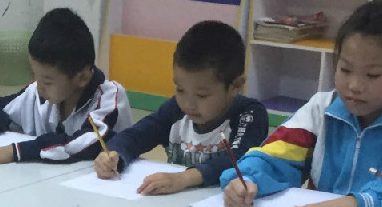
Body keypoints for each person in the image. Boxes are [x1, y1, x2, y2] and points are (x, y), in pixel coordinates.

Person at [219, 0, 382, 207]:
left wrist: (353, 204)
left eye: (372, 75)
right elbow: (274, 158)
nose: (354, 85)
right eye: (345, 69)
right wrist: (245, 180)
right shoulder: (322, 108)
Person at [93, 20, 268, 196]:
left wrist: (185, 178)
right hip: (174, 202)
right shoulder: (176, 110)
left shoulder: (249, 113)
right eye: (180, 90)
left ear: (236, 86)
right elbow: (137, 135)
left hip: (225, 204)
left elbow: (239, 160)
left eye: (201, 95)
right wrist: (114, 154)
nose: (188, 104)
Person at [0, 7, 129, 168]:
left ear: (82, 77)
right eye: (35, 75)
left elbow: (84, 143)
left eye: (47, 81)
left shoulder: (109, 97)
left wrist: (13, 152)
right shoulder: (40, 93)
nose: (38, 87)